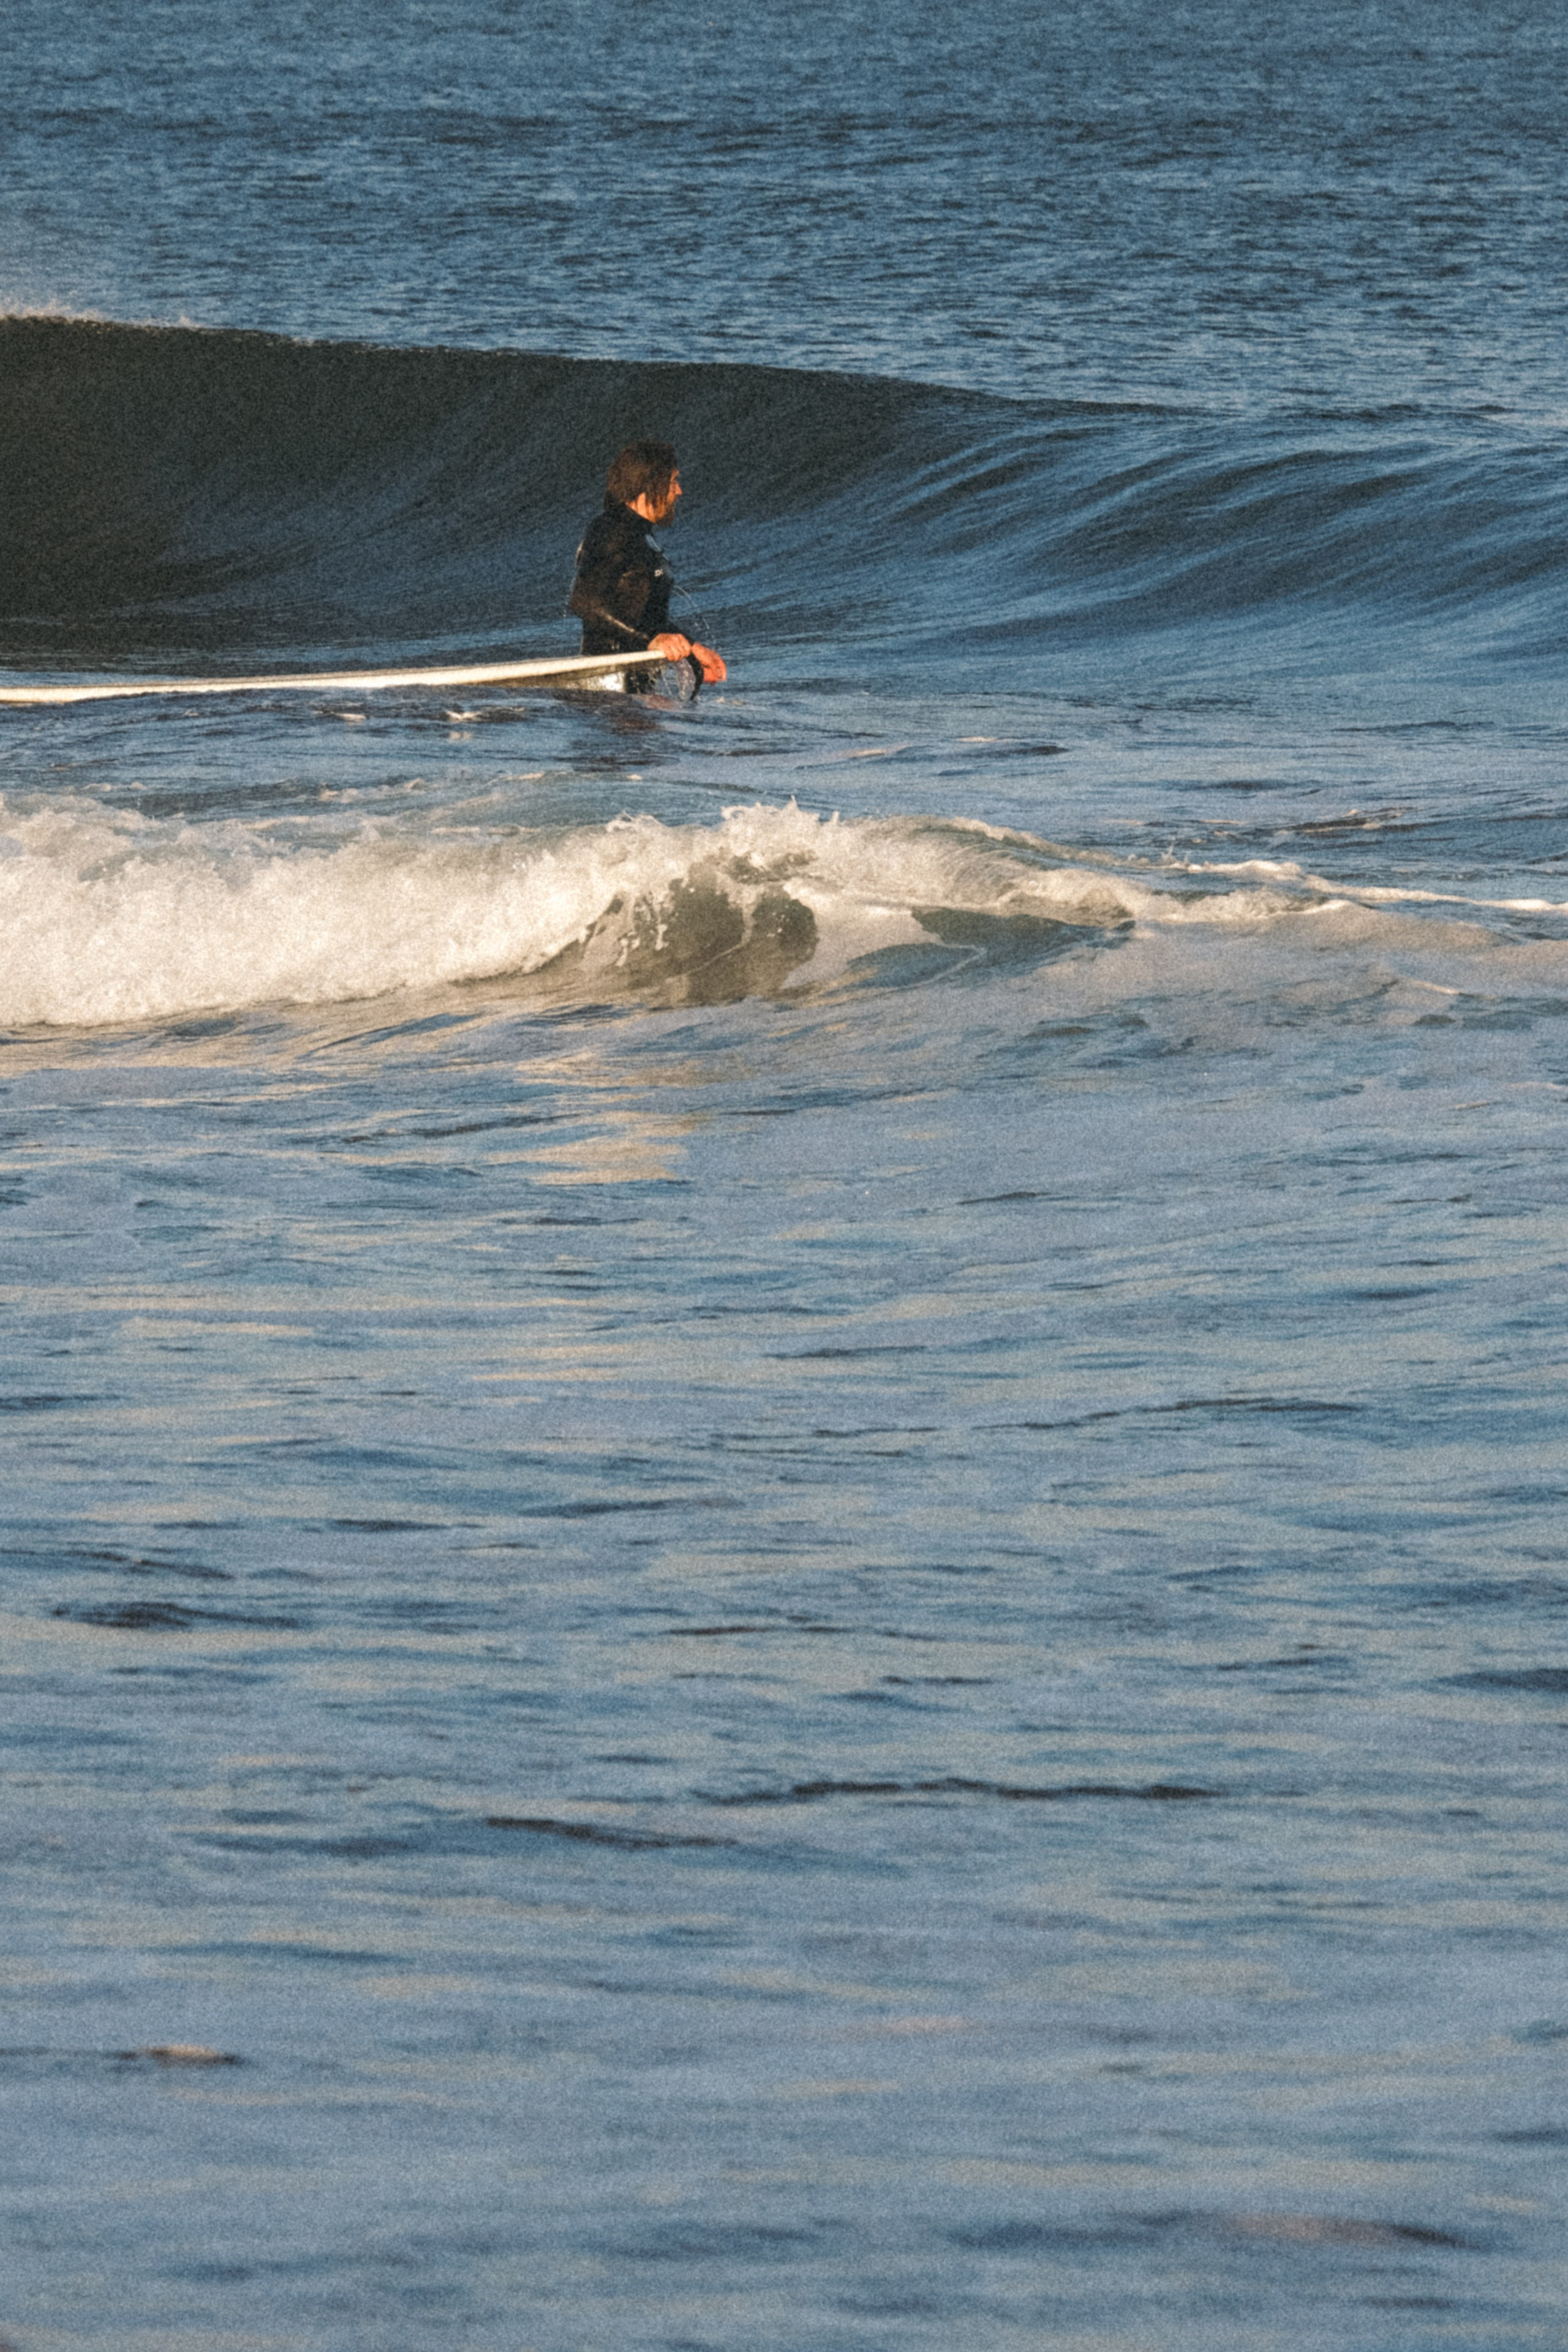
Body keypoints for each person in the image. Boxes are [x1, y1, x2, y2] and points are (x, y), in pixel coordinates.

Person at [568, 440, 726, 690]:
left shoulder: (643, 538)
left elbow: (646, 618)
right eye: (674, 481)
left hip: (632, 690)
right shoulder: (610, 531)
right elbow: (586, 602)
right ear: (652, 484)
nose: (679, 491)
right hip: (608, 690)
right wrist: (650, 640)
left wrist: (691, 649)